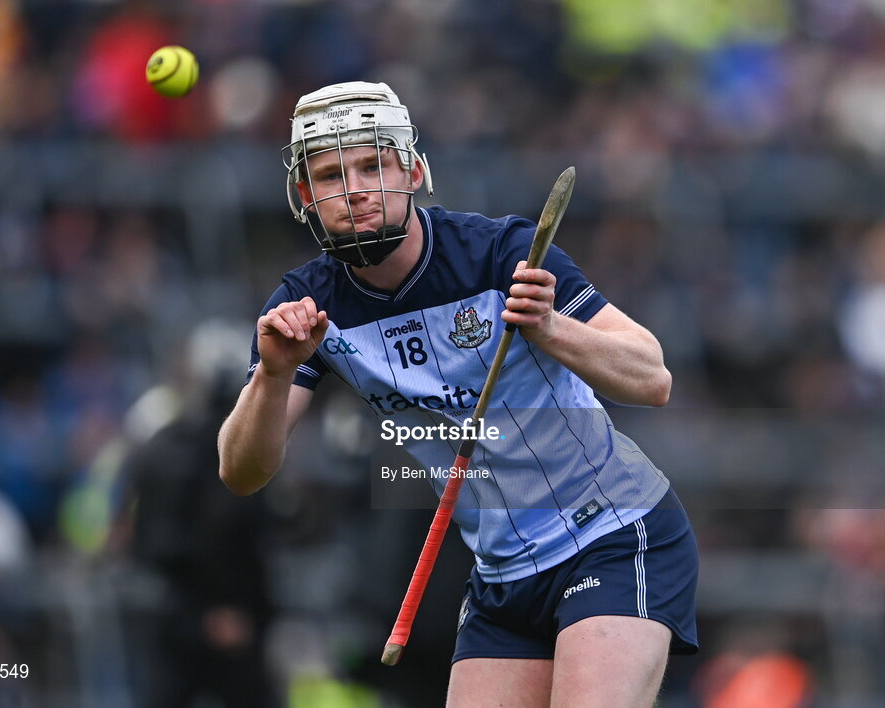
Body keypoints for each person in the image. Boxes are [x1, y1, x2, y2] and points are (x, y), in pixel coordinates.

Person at [218, 81, 698, 707]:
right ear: (306, 197)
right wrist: (273, 376)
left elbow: (652, 377)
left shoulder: (500, 254)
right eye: (332, 175)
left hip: (612, 534)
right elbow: (241, 472)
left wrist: (552, 329)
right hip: (501, 576)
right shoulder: (306, 309)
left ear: (413, 171)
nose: (356, 189)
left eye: (372, 166)